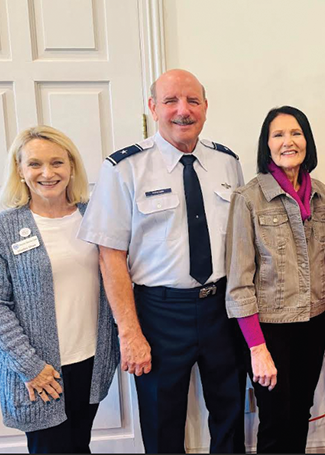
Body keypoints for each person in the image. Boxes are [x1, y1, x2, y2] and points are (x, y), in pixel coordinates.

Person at [77, 69, 247, 453]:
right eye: (170, 101)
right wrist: (130, 333)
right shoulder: (124, 168)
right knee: (161, 423)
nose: (182, 111)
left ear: (205, 107)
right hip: (159, 313)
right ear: (153, 107)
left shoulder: (227, 163)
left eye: (192, 101)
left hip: (222, 307)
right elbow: (110, 256)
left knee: (231, 413)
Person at [225, 106, 325, 453]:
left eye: (296, 133)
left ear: (307, 141)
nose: (288, 141)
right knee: (275, 418)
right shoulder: (248, 199)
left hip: (314, 323)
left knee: (300, 412)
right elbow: (239, 283)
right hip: (270, 330)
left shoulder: (321, 195)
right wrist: (257, 349)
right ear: (267, 145)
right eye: (278, 135)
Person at [0, 126, 119, 453]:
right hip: (40, 372)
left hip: (91, 362)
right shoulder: (5, 227)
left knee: (79, 445)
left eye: (57, 163)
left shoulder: (93, 216)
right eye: (35, 164)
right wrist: (31, 367)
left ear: (71, 167)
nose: (47, 173)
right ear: (20, 171)